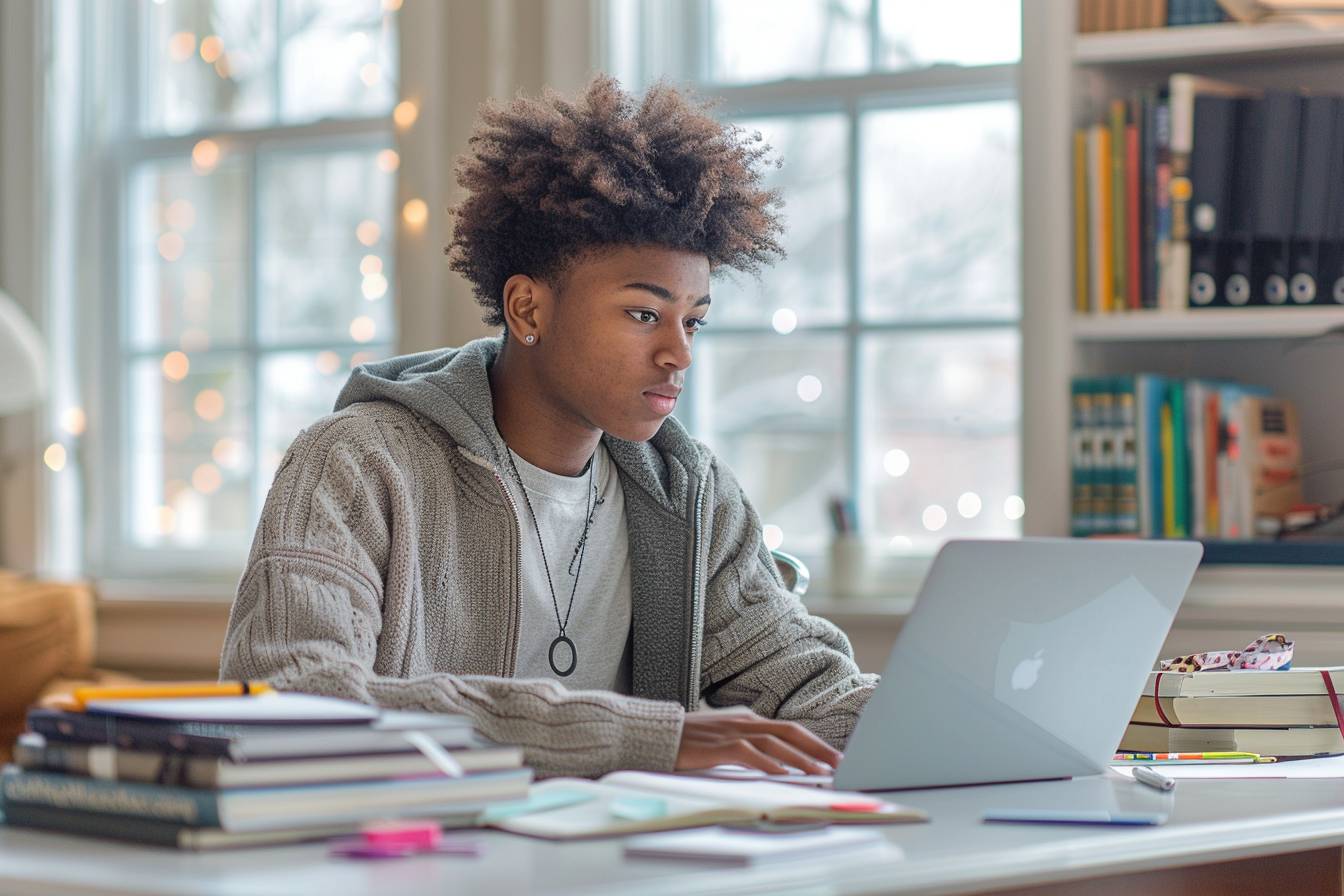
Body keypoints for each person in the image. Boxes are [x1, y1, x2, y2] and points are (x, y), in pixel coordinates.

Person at [221, 75, 876, 778]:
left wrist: (964, 716)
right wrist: (638, 736)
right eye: (643, 314)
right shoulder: (357, 463)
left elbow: (809, 692)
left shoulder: (689, 496)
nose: (678, 353)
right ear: (528, 310)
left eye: (694, 321)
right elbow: (294, 697)